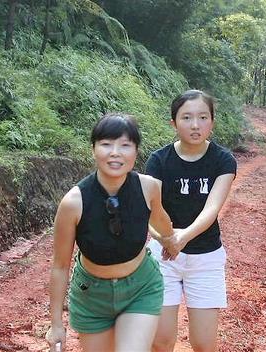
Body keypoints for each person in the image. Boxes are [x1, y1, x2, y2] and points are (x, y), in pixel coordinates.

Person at [45, 113, 174, 351]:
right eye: (106, 144)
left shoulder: (149, 188)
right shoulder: (73, 202)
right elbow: (60, 265)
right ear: (93, 149)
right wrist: (55, 324)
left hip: (141, 287)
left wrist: (170, 239)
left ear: (136, 152)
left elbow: (161, 220)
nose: (115, 152)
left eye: (125, 145)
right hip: (92, 296)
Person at [146, 90, 237, 352]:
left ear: (212, 122)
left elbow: (211, 210)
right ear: (173, 123)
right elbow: (150, 211)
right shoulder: (159, 161)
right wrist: (163, 238)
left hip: (206, 259)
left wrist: (181, 238)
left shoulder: (222, 161)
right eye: (186, 117)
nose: (195, 125)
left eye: (202, 117)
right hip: (163, 257)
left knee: (204, 344)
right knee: (161, 342)